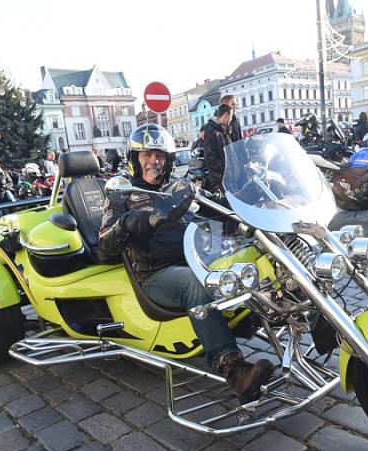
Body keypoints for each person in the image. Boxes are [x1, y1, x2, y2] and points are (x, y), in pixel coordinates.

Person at [98, 124, 274, 402]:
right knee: (196, 285)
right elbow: (105, 245)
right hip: (156, 276)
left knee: (257, 258)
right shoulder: (122, 194)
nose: (153, 161)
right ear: (134, 159)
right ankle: (234, 371)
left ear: (168, 160)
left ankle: (309, 318)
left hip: (197, 261)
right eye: (146, 155)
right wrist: (130, 222)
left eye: (159, 155)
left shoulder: (177, 188)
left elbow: (212, 203)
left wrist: (243, 200)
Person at [203, 104, 233, 194]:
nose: (231, 120)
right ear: (226, 115)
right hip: (220, 180)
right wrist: (224, 170)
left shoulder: (223, 131)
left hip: (228, 178)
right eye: (230, 117)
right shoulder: (212, 131)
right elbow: (210, 157)